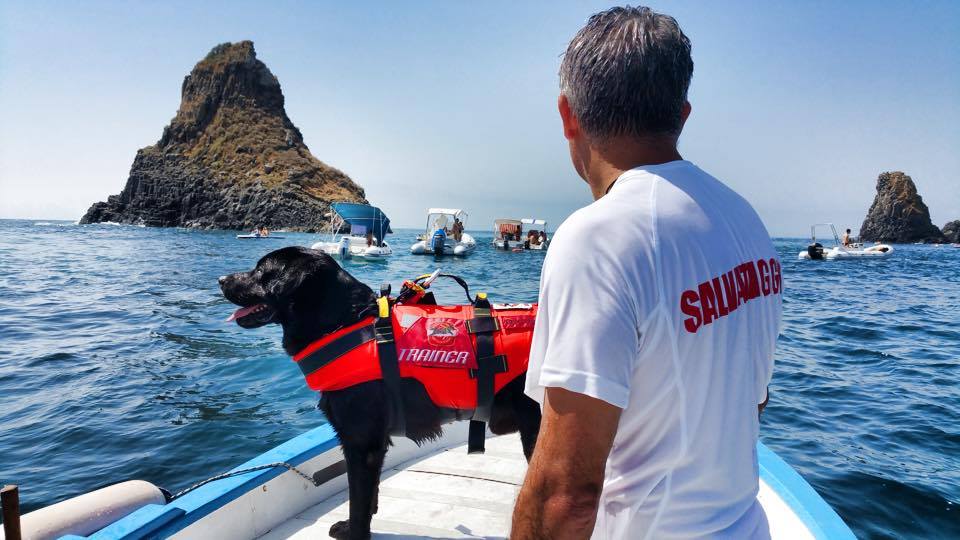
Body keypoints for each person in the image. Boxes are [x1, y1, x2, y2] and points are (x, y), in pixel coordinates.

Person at [511, 6, 782, 539]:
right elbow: (753, 401)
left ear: (568, 115)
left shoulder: (598, 238)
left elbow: (568, 495)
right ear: (682, 114)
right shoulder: (746, 221)